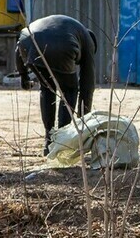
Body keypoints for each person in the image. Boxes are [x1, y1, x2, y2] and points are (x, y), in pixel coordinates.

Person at [15, 15, 97, 155]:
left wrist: (23, 77)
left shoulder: (73, 28)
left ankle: (49, 139)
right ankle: (61, 141)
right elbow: (87, 86)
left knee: (47, 88)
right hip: (62, 46)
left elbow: (18, 48)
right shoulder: (87, 41)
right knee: (70, 90)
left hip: (27, 39)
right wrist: (84, 119)